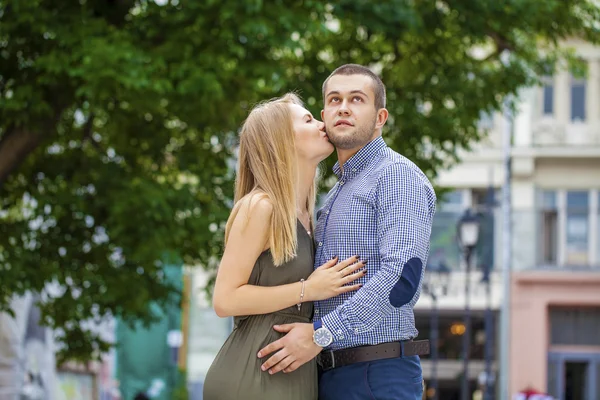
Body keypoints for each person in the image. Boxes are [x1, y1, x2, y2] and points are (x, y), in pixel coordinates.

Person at [257, 64, 437, 400]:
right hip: (331, 374)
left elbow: (401, 280)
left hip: (377, 374)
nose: (344, 107)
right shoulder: (337, 191)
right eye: (335, 99)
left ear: (380, 117)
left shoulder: (396, 176)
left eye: (357, 99)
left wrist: (319, 335)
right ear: (324, 115)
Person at [202, 93, 365, 400]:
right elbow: (225, 299)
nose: (322, 124)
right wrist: (310, 289)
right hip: (254, 375)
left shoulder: (310, 216)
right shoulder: (261, 207)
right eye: (308, 120)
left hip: (295, 374)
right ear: (281, 141)